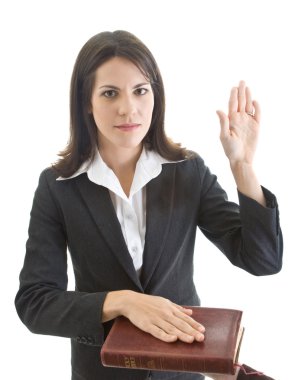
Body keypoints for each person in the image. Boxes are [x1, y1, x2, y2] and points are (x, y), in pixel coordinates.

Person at [15, 30, 282, 380]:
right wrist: (121, 301)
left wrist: (243, 168)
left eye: (140, 90)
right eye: (110, 93)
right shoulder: (58, 187)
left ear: (155, 96)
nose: (128, 108)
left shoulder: (187, 171)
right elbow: (35, 304)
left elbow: (262, 260)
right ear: (86, 102)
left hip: (181, 372)